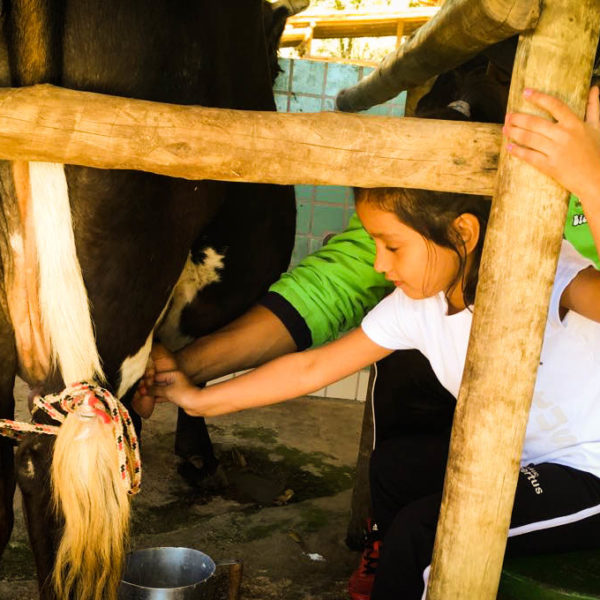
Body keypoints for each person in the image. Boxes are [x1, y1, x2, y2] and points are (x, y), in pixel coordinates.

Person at [137, 85, 600, 600]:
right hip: (530, 460)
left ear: (463, 234)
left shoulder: (544, 273)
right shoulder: (418, 306)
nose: (379, 264)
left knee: (423, 533)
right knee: (395, 469)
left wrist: (589, 176)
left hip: (592, 475)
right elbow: (310, 370)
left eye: (393, 245)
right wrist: (197, 397)